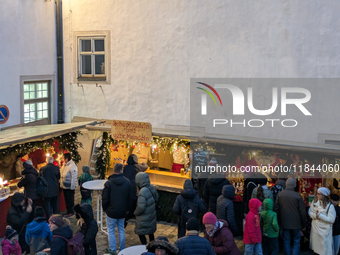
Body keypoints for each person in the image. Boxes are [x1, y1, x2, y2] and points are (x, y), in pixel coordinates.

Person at [102, 163, 131, 253]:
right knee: (121, 229)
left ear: (113, 170)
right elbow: (130, 198)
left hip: (111, 211)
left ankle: (113, 250)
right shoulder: (127, 182)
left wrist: (105, 209)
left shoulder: (108, 183)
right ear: (121, 170)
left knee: (111, 231)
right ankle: (122, 249)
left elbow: (105, 198)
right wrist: (127, 209)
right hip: (122, 211)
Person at [274, 178, 306, 255]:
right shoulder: (298, 196)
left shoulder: (280, 194)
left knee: (286, 240)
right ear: (294, 185)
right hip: (296, 223)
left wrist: (278, 222)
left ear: (286, 184)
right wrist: (304, 224)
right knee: (296, 241)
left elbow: (276, 209)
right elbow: (303, 212)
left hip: (284, 222)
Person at [309, 187, 336, 255]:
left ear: (323, 195)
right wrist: (315, 216)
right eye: (316, 193)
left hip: (324, 232)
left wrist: (320, 216)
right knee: (316, 249)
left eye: (318, 194)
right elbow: (310, 212)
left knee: (324, 250)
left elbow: (331, 220)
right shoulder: (314, 202)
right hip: (315, 230)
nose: (316, 195)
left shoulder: (330, 206)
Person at [134, 172, 158, 245]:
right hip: (151, 215)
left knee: (141, 233)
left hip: (143, 218)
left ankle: (144, 247)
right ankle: (152, 246)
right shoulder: (151, 187)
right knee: (150, 233)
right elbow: (156, 197)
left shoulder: (142, 192)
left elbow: (141, 207)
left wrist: (135, 212)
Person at [123, 154, 141, 227]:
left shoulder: (125, 167)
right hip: (133, 186)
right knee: (134, 200)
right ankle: (131, 215)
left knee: (127, 200)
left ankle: (126, 216)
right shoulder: (137, 167)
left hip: (126, 186)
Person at [60, 152, 78, 217]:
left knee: (70, 199)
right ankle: (68, 210)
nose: (62, 159)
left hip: (70, 187)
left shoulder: (72, 166)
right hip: (65, 186)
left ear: (66, 159)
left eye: (63, 158)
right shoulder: (64, 165)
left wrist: (72, 187)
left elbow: (74, 177)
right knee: (66, 199)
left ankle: (71, 211)